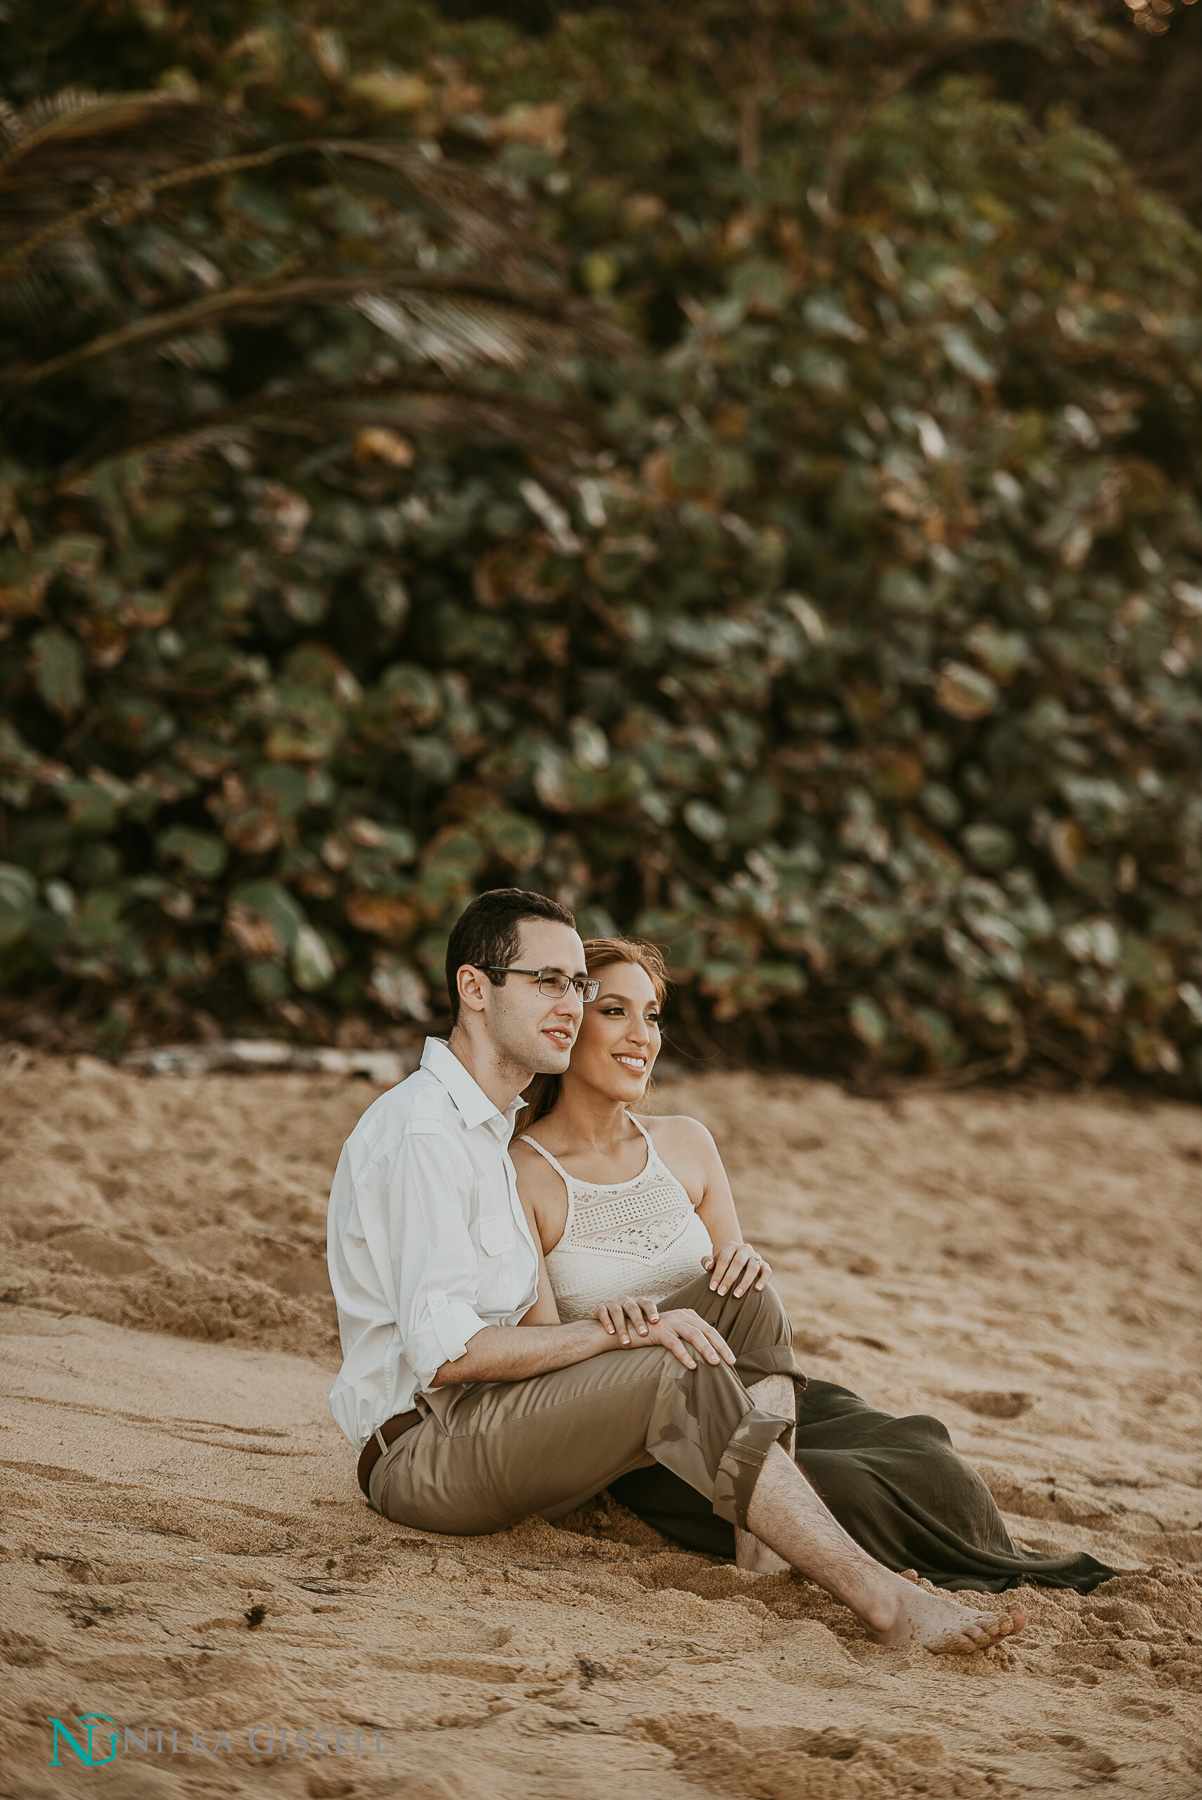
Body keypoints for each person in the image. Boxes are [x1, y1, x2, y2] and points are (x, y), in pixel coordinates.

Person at [326, 887, 1029, 1653]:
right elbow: (449, 1355)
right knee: (671, 1361)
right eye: (545, 982)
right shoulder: (426, 1136)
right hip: (425, 1453)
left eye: (575, 985)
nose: (568, 1003)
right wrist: (611, 1334)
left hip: (509, 1419)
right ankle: (885, 1602)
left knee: (742, 1294)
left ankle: (759, 1550)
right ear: (474, 988)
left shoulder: (491, 1130)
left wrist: (624, 1329)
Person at [511, 934, 1116, 1597]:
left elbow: (743, 1304)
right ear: (566, 1024)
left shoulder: (686, 1144)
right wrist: (614, 1328)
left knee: (932, 1463)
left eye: (652, 1015)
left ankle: (785, 1517)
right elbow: (539, 1362)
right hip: (652, 1430)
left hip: (754, 1384)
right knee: (845, 1493)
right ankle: (768, 1548)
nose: (643, 1035)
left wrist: (744, 1264)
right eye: (616, 1012)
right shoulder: (522, 1174)